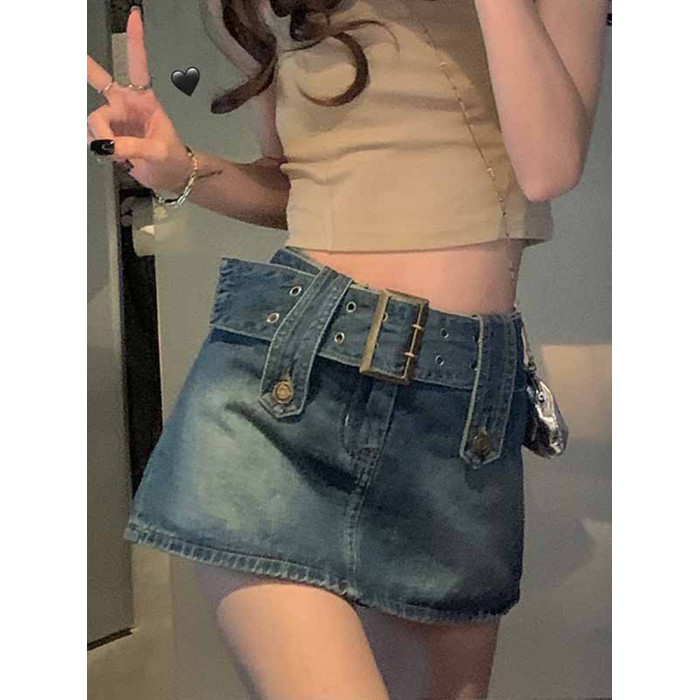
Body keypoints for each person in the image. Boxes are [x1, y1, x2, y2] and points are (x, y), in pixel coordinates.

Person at [87, 2, 608, 698]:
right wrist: (180, 169)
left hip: (462, 406)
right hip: (289, 377)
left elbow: (548, 167)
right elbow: (297, 181)